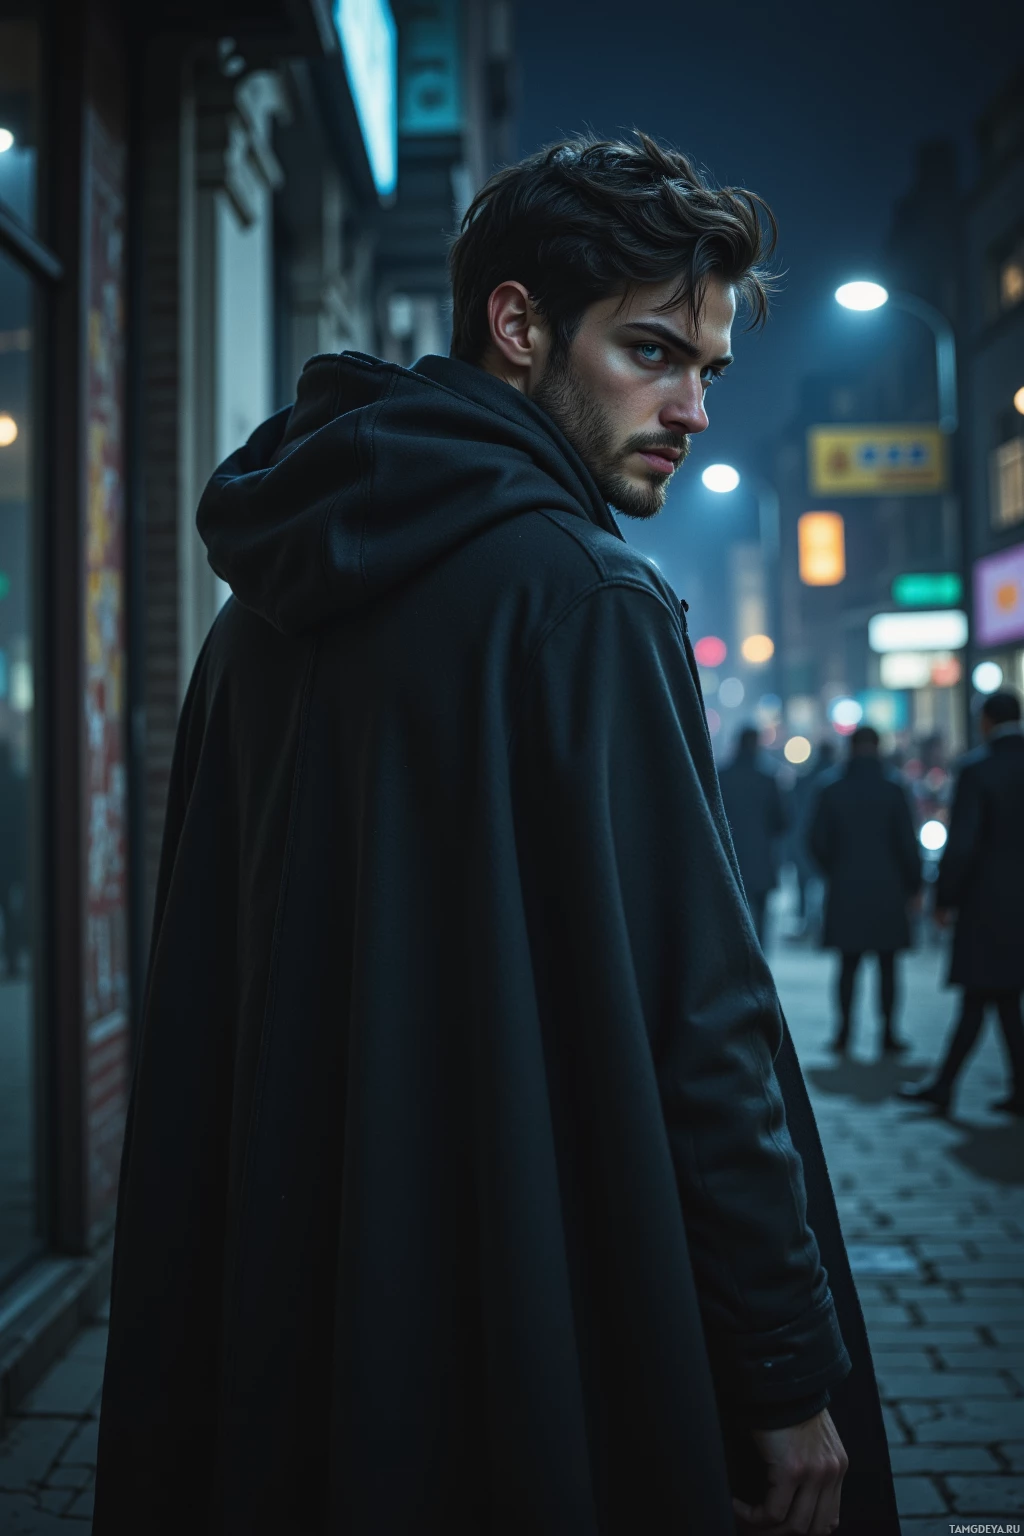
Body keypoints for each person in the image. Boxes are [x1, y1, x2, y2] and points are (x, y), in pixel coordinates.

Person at [94, 135, 899, 1536]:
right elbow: (702, 1029)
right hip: (541, 1306)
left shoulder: (255, 614)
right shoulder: (587, 605)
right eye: (653, 352)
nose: (694, 407)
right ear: (517, 324)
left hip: (297, 1305)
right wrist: (779, 1367)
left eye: (709, 369)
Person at [898, 690, 1024, 1115]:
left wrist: (944, 898)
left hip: (988, 901)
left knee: (983, 990)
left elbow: (964, 843)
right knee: (999, 995)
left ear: (986, 720)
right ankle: (955, 1084)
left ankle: (945, 1085)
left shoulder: (977, 769)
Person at [810, 726, 921, 1056]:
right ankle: (888, 1033)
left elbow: (815, 841)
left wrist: (835, 870)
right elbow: (907, 844)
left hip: (846, 889)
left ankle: (843, 1033)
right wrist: (914, 886)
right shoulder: (894, 788)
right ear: (879, 747)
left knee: (847, 966)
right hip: (889, 890)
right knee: (888, 967)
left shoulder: (831, 789)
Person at [718, 724, 789, 947]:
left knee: (729, 913)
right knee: (760, 917)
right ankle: (759, 963)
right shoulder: (767, 780)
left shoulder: (721, 777)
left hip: (727, 858)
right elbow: (782, 821)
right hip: (760, 858)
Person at [790, 740, 836, 938]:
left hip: (805, 837)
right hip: (832, 840)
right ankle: (823, 922)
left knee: (804, 882)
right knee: (827, 883)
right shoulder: (835, 780)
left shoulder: (805, 778)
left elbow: (793, 811)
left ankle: (806, 921)